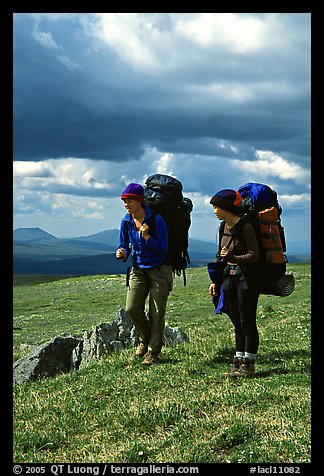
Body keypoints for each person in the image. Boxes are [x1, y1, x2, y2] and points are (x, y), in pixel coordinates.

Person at [116, 183, 173, 365]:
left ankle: (153, 351)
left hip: (159, 270)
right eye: (125, 201)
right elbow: (123, 244)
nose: (126, 205)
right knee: (132, 307)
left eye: (130, 201)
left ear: (140, 201)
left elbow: (164, 250)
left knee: (156, 312)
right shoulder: (126, 221)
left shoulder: (156, 220)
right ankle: (145, 340)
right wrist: (122, 252)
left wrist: (147, 237)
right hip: (138, 269)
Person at [209, 189, 260, 377]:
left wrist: (233, 257)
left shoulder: (246, 227)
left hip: (247, 279)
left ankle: (249, 364)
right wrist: (215, 281)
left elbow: (254, 256)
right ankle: (238, 362)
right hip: (228, 277)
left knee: (247, 321)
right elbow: (219, 255)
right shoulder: (223, 227)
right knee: (236, 321)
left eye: (216, 207)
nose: (214, 210)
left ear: (227, 208)